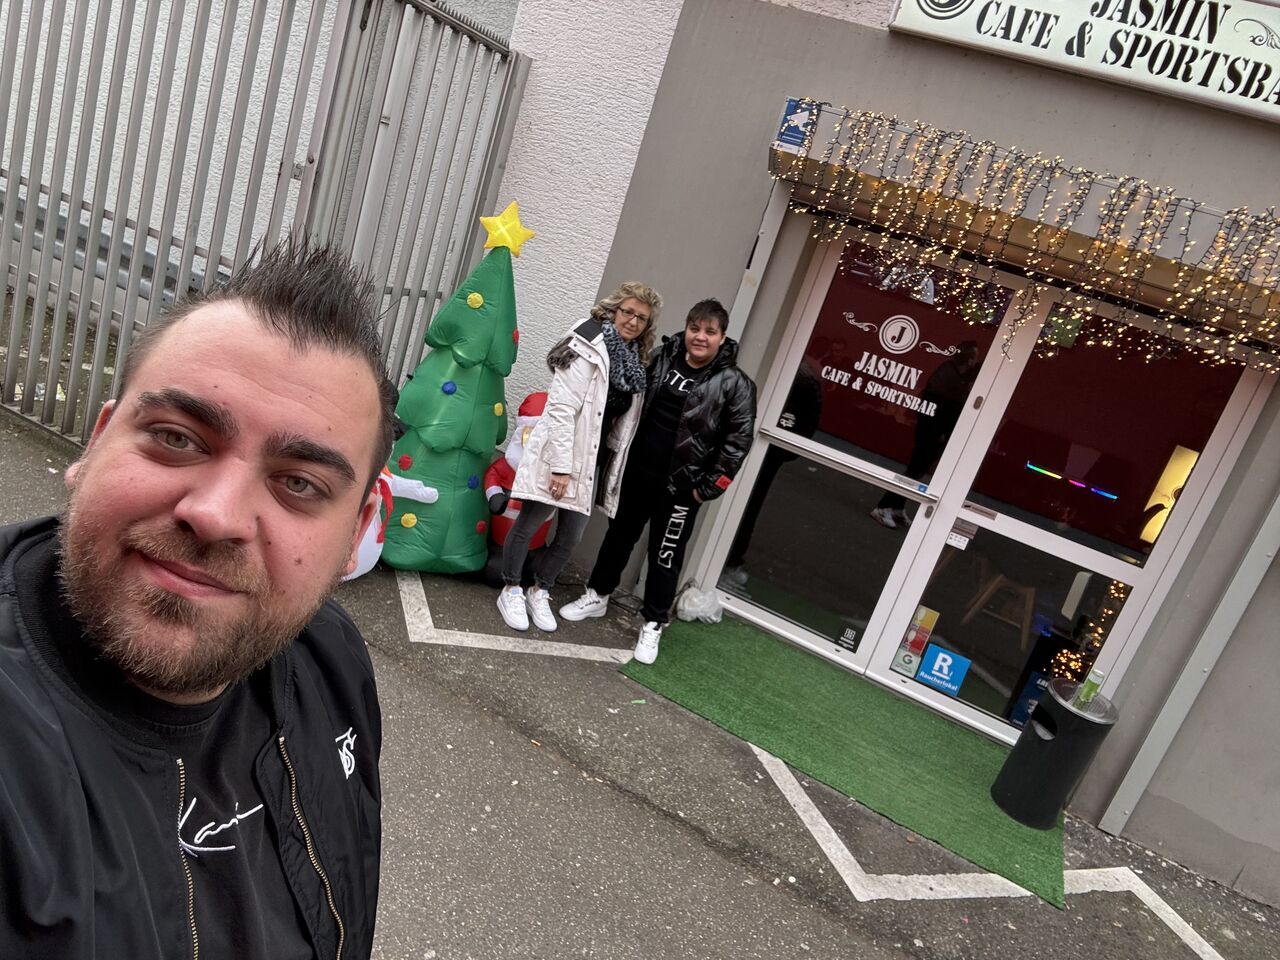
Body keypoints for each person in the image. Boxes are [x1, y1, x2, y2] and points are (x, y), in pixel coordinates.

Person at [0, 241, 393, 960]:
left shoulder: (330, 659)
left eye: (299, 483)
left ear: (358, 534)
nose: (215, 515)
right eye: (177, 438)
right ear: (96, 442)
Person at [560, 298, 757, 663]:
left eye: (709, 332)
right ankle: (597, 595)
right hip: (638, 472)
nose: (700, 337)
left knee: (665, 555)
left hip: (682, 488)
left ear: (722, 337)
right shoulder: (662, 357)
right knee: (618, 538)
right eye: (694, 329)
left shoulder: (736, 384)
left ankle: (653, 623)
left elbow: (737, 443)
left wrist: (706, 489)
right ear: (687, 328)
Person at [496, 282, 662, 632]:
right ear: (614, 310)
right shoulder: (587, 341)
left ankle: (540, 590)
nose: (633, 321)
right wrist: (561, 467)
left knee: (571, 536)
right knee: (529, 524)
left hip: (594, 460)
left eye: (642, 318)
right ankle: (511, 588)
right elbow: (561, 407)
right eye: (628, 312)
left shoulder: (635, 360)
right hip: (562, 453)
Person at [871, 340, 980, 529]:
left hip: (937, 432)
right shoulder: (948, 376)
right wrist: (937, 432)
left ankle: (897, 507)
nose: (975, 362)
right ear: (968, 359)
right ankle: (883, 507)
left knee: (917, 471)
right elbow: (935, 406)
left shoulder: (956, 375)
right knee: (913, 470)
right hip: (932, 432)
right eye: (974, 358)